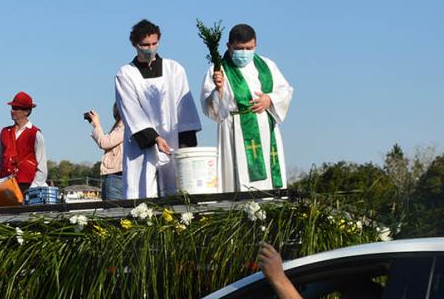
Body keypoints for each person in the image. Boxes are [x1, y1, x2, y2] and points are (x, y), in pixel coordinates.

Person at [114, 19, 202, 199]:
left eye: (154, 43)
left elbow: (184, 107)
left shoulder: (174, 69)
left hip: (173, 141)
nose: (150, 48)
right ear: (134, 44)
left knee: (176, 193)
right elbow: (130, 109)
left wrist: (187, 146)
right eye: (145, 45)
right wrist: (154, 137)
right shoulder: (126, 73)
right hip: (142, 145)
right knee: (143, 194)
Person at [201, 24, 294, 191]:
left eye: (249, 48)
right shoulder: (218, 70)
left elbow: (285, 90)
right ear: (229, 46)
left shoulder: (266, 65)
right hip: (234, 127)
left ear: (255, 45)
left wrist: (270, 99)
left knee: (268, 176)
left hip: (265, 127)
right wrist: (219, 89)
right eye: (239, 48)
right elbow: (211, 110)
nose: (244, 52)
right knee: (237, 176)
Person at [0, 91, 47, 196]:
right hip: (6, 184)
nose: (12, 111)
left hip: (27, 185)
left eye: (16, 108)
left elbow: (42, 166)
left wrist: (33, 189)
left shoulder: (35, 133)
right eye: (12, 108)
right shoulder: (4, 132)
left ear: (27, 111)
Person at [86, 104, 124, 201]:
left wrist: (97, 124)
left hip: (116, 176)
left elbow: (105, 142)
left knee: (113, 212)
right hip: (120, 175)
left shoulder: (124, 124)